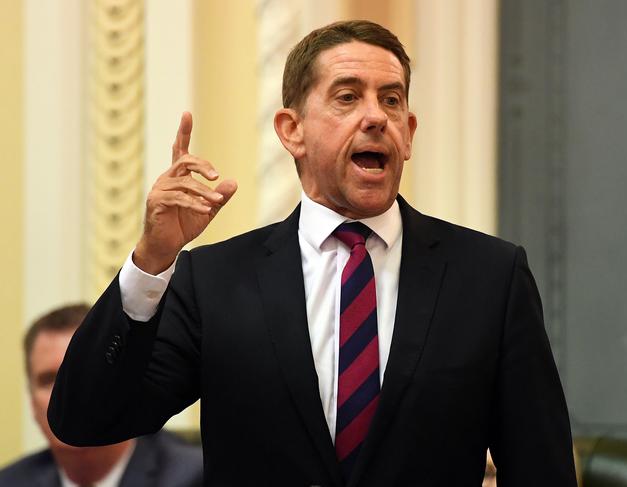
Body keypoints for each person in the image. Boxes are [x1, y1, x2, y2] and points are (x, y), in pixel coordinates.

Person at [48, 20, 578, 486]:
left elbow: (540, 467)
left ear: (409, 134)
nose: (376, 117)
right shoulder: (214, 281)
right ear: (292, 131)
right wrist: (151, 260)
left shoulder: (490, 277)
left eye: (391, 100)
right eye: (347, 97)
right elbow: (86, 419)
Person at [0, 304, 203, 487]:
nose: (65, 396)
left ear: (121, 385)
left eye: (81, 375)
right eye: (48, 380)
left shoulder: (196, 477)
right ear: (32, 402)